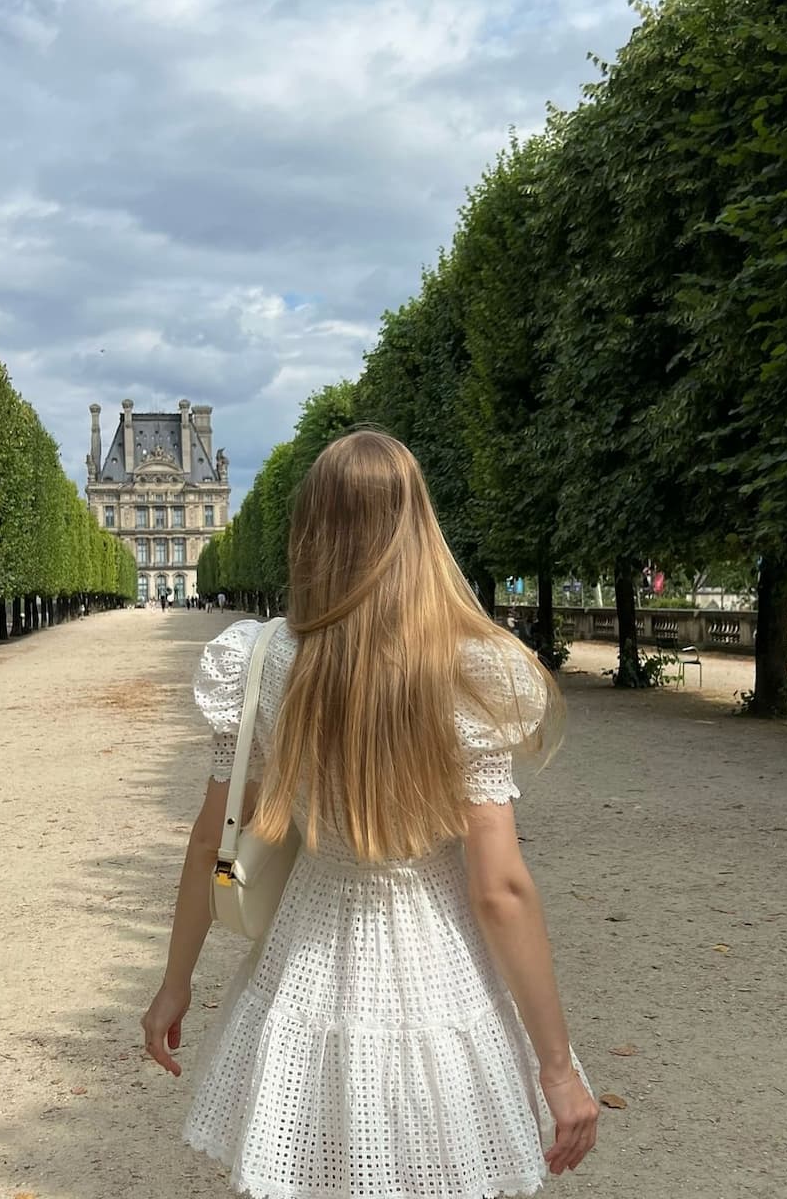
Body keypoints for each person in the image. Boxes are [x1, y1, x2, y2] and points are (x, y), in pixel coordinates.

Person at [142, 431, 598, 1198]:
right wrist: (556, 1067)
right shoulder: (473, 664)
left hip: (305, 957)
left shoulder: (258, 659)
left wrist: (174, 982)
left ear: (310, 528)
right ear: (418, 523)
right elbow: (498, 890)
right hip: (441, 962)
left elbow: (206, 845)